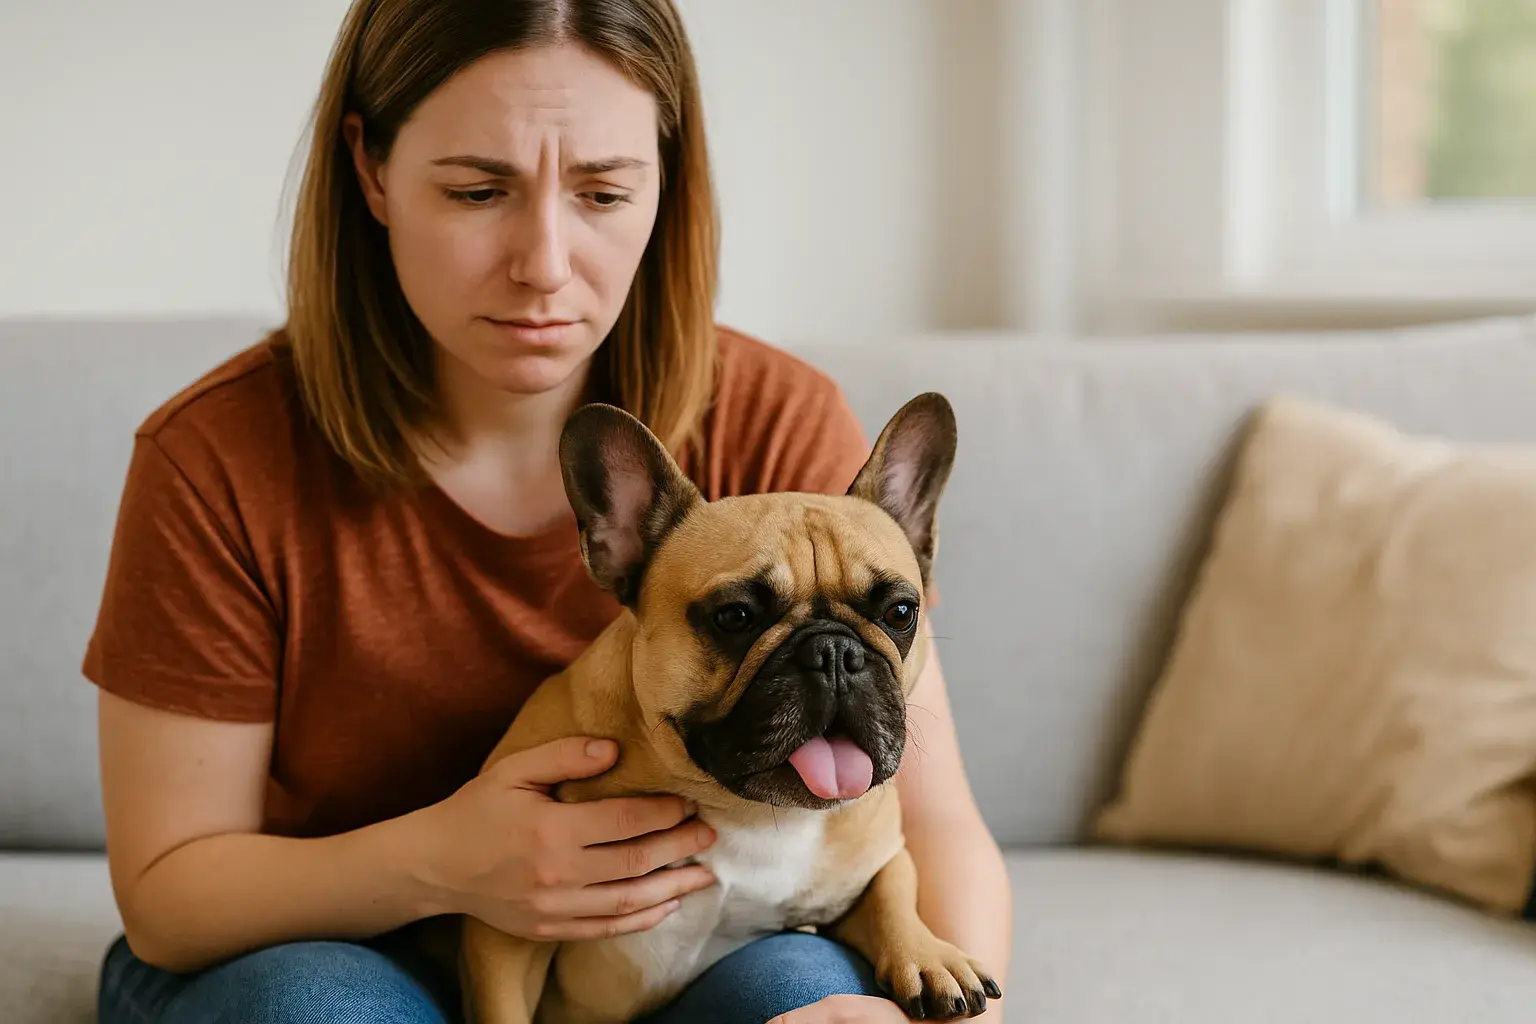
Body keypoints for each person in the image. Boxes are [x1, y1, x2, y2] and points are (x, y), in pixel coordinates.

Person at [84, 1, 1013, 1021]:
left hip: (698, 943)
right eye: (479, 190)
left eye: (605, 192)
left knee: (810, 999)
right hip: (320, 943)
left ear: (668, 179)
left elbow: (929, 827)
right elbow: (169, 899)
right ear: (374, 169)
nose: (544, 261)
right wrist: (443, 863)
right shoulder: (219, 456)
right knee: (313, 1007)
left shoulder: (779, 425)